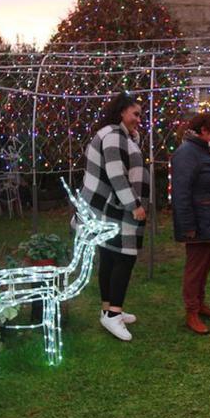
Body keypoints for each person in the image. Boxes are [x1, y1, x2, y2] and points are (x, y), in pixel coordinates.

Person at [79, 92, 150, 341]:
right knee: (123, 258)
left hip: (109, 208)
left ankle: (109, 309)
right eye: (135, 114)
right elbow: (116, 174)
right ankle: (112, 315)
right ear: (122, 112)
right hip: (115, 209)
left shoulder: (119, 135)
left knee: (109, 255)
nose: (139, 119)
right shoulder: (112, 136)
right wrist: (134, 205)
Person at [171, 113, 210, 335]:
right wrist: (188, 225)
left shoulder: (207, 150)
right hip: (199, 222)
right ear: (204, 131)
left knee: (207, 263)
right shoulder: (187, 153)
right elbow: (181, 192)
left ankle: (200, 303)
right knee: (196, 267)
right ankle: (191, 311)